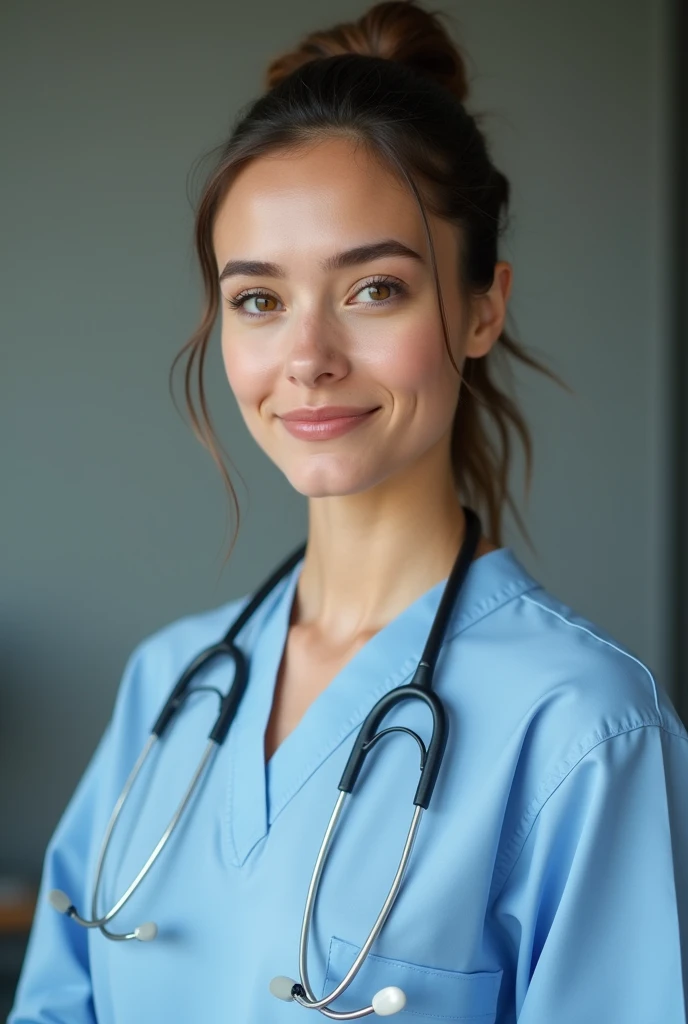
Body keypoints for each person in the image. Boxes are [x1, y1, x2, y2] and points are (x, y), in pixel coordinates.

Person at [9, 1, 687, 1021]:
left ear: (481, 308)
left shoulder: (584, 729)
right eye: (258, 299)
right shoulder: (168, 688)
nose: (308, 357)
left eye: (373, 289)